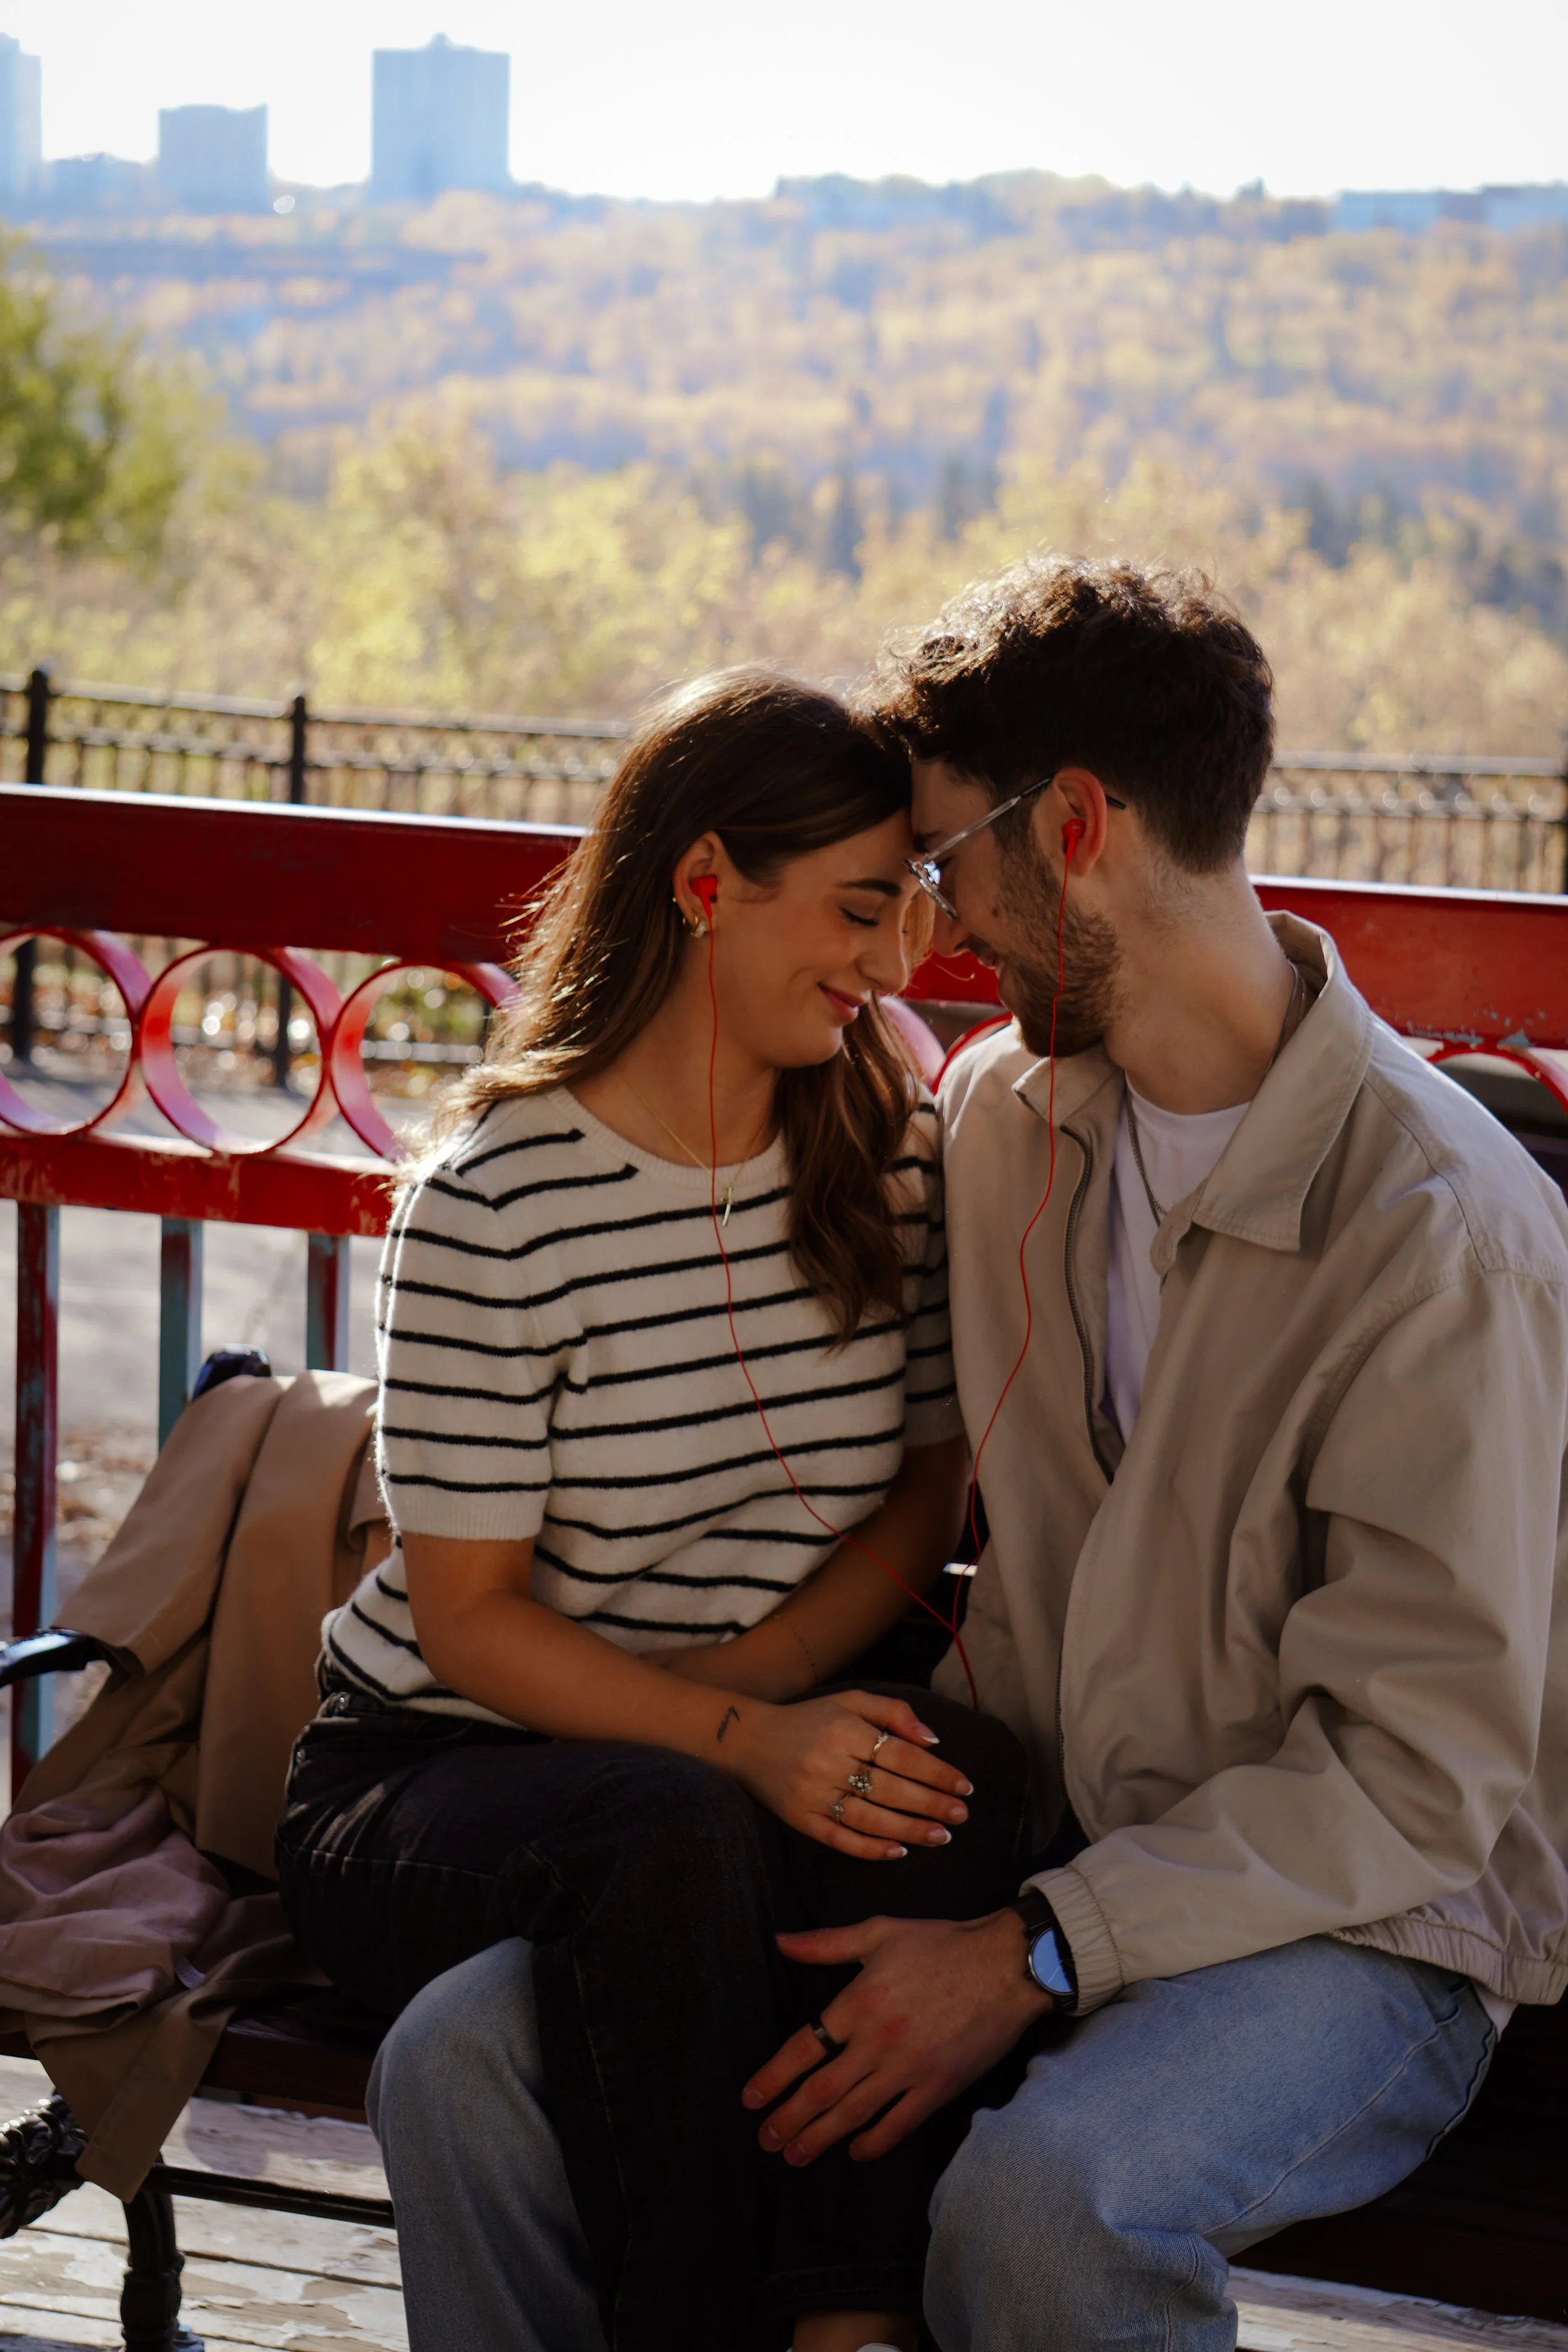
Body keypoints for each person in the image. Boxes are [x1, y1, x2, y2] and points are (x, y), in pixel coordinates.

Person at [369, 560, 1568, 2352]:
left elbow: (1413, 1784)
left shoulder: (1442, 1236)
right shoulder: (996, 1118)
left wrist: (1035, 1949)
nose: (926, 934)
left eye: (939, 863)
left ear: (1071, 828)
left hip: (1358, 1920)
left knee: (1047, 2202)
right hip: (1018, 1830)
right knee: (462, 2067)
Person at [275, 670, 1032, 2352]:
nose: (896, 964)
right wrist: (739, 1741)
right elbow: (469, 1623)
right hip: (433, 1771)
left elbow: (928, 1486)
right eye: (856, 910)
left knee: (961, 1782)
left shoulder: (883, 1142)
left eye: (911, 910)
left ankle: (840, 2320)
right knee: (670, 1825)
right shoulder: (493, 1203)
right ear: (703, 883)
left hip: (713, 1736)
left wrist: (758, 1702)